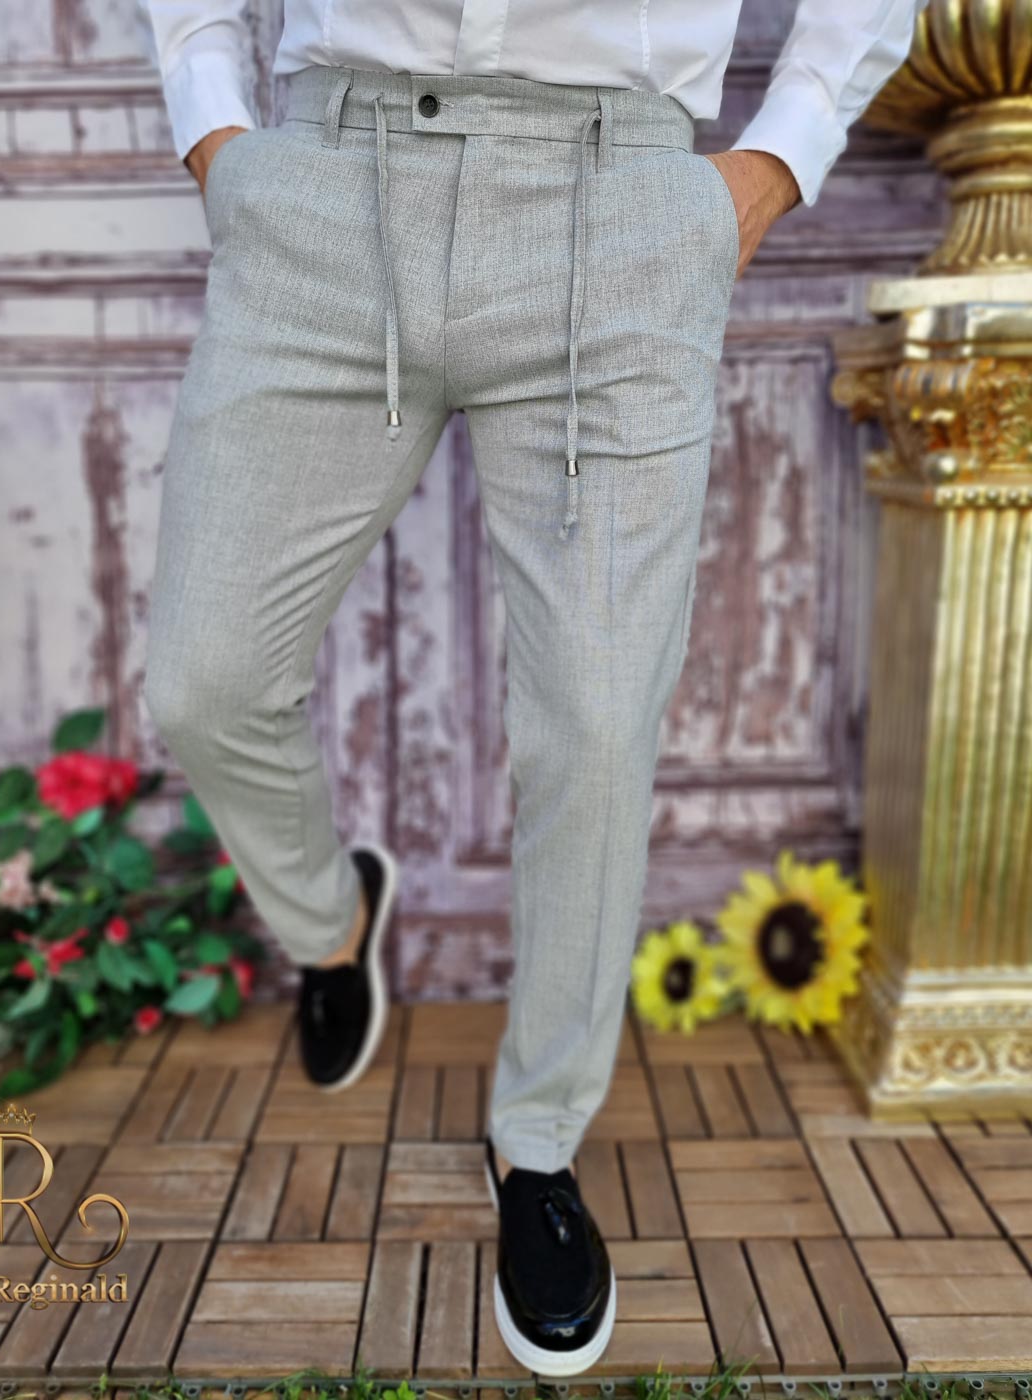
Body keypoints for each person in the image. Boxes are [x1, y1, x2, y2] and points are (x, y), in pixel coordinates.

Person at [140, 0, 927, 1375]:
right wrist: (217, 130)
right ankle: (332, 921)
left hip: (616, 205)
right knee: (206, 680)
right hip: (327, 193)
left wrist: (773, 161)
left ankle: (538, 1143)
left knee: (598, 730)